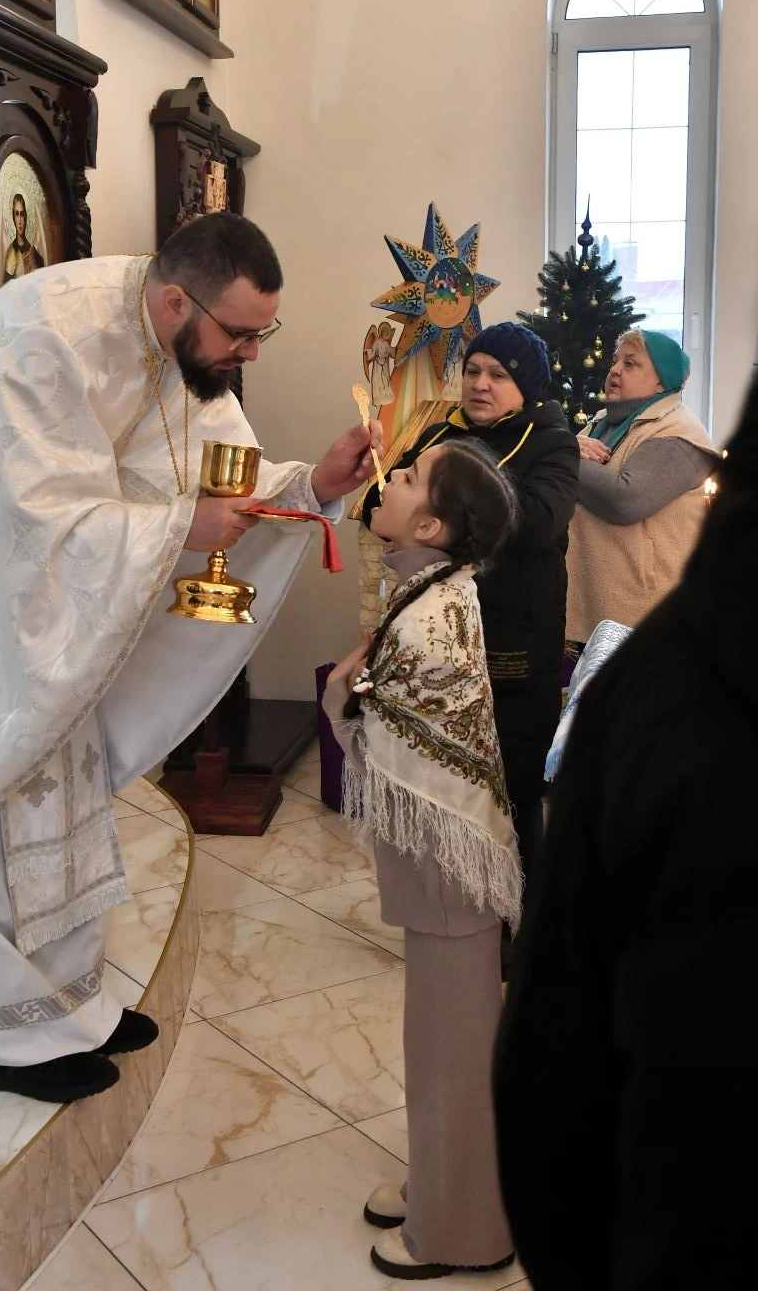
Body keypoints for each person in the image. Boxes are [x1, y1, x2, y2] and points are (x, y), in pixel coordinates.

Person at [0, 214, 380, 1104]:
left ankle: (66, 1007)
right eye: (241, 333)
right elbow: (26, 518)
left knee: (58, 801)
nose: (251, 354)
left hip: (46, 619)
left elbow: (213, 471)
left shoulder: (187, 349)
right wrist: (177, 528)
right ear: (177, 298)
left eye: (265, 332)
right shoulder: (44, 337)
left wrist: (313, 485)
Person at [493, 372, 758, 1291]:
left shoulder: (672, 440)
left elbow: (554, 1050)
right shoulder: (662, 702)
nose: (614, 366)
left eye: (632, 356)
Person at [324, 439, 521, 1281]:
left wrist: (345, 692)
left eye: (405, 479)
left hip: (449, 861)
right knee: (437, 1039)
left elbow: (396, 729)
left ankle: (462, 1231)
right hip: (442, 863)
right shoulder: (433, 587)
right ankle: (441, 1184)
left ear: (433, 524)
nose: (388, 481)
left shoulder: (435, 615)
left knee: (452, 1045)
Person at [362, 322, 579, 892]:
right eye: (473, 370)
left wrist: (456, 490)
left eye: (498, 376)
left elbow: (537, 522)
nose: (480, 385)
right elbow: (379, 504)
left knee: (514, 784)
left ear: (526, 387)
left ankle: (524, 920)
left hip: (513, 634)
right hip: (439, 630)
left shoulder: (550, 437)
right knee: (447, 779)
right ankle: (462, 902)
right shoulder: (438, 430)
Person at [566, 328, 717, 645]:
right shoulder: (602, 421)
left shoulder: (677, 433)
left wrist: (559, 453)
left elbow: (625, 499)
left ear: (661, 381)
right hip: (596, 602)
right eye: (615, 360)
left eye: (631, 364)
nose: (615, 370)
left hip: (645, 617)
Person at [3, 193, 46, 283]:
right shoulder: (10, 254)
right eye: (16, 214)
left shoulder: (35, 254)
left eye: (22, 214)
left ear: (26, 216)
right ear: (13, 217)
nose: (20, 221)